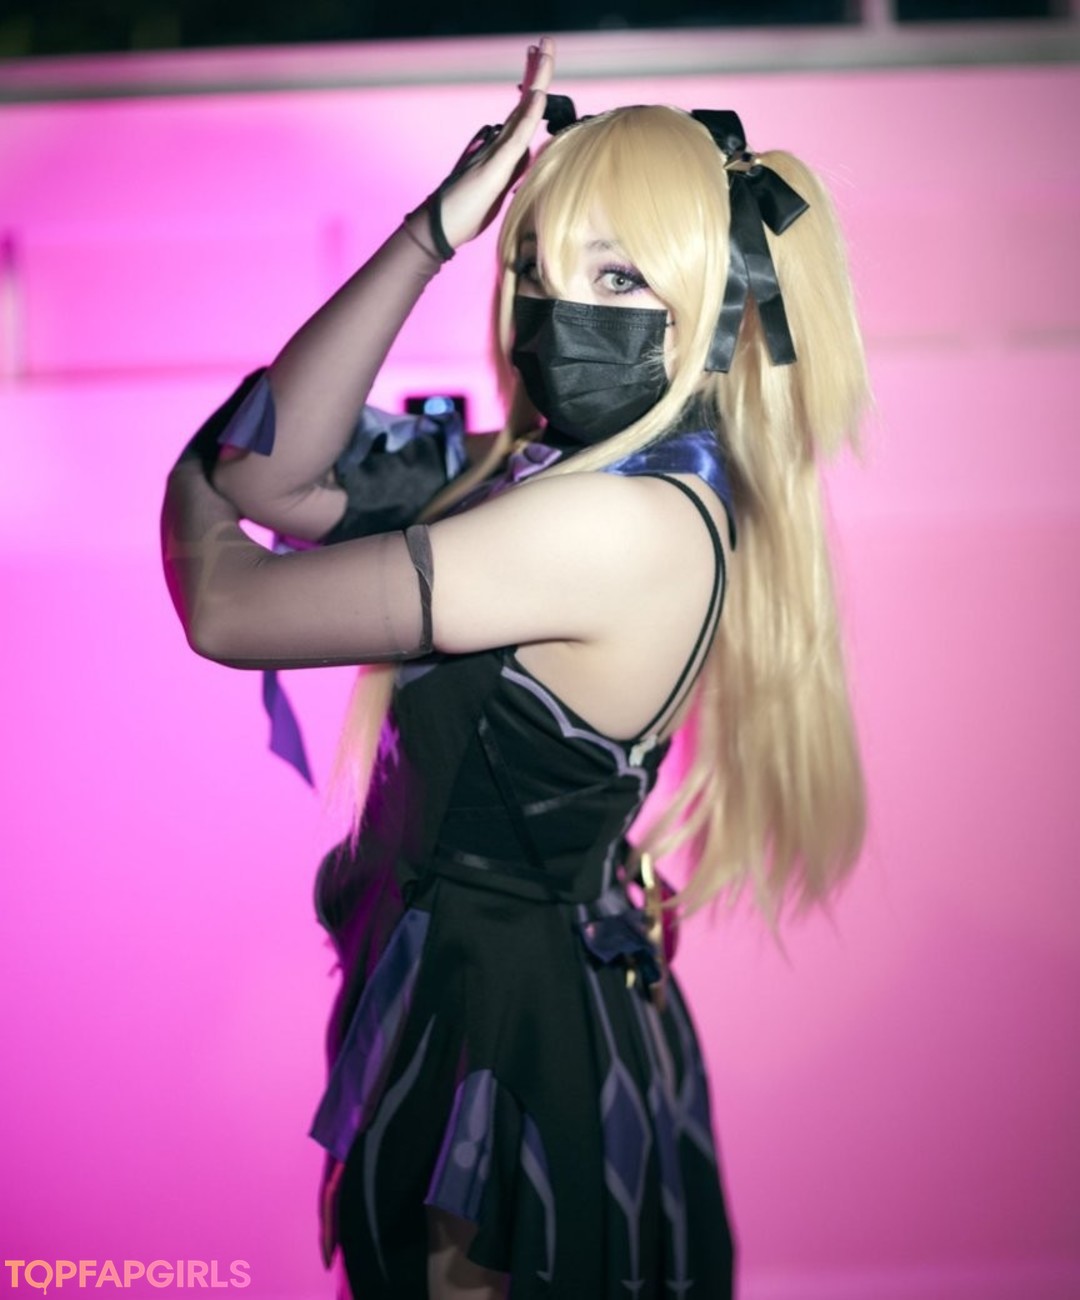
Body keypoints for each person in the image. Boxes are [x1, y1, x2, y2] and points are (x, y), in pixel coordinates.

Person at [161, 35, 869, 1300]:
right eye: (536, 263)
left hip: (507, 1034)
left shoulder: (612, 524)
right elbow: (273, 469)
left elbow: (227, 594)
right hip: (474, 986)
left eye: (617, 272)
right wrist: (437, 228)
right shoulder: (541, 476)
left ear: (708, 311)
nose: (555, 304)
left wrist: (184, 487)